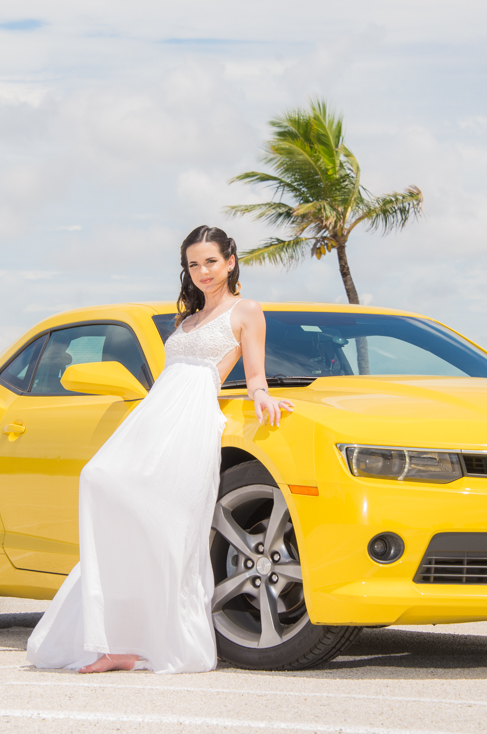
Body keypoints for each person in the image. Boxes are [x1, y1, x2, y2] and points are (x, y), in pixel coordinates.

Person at [26, 225, 292, 674]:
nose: (202, 271)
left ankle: (156, 639)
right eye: (193, 264)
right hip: (155, 416)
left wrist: (261, 394)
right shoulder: (185, 320)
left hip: (192, 420)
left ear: (230, 261)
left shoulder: (246, 311)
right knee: (99, 480)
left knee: (168, 528)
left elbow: (254, 374)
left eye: (210, 261)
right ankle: (112, 641)